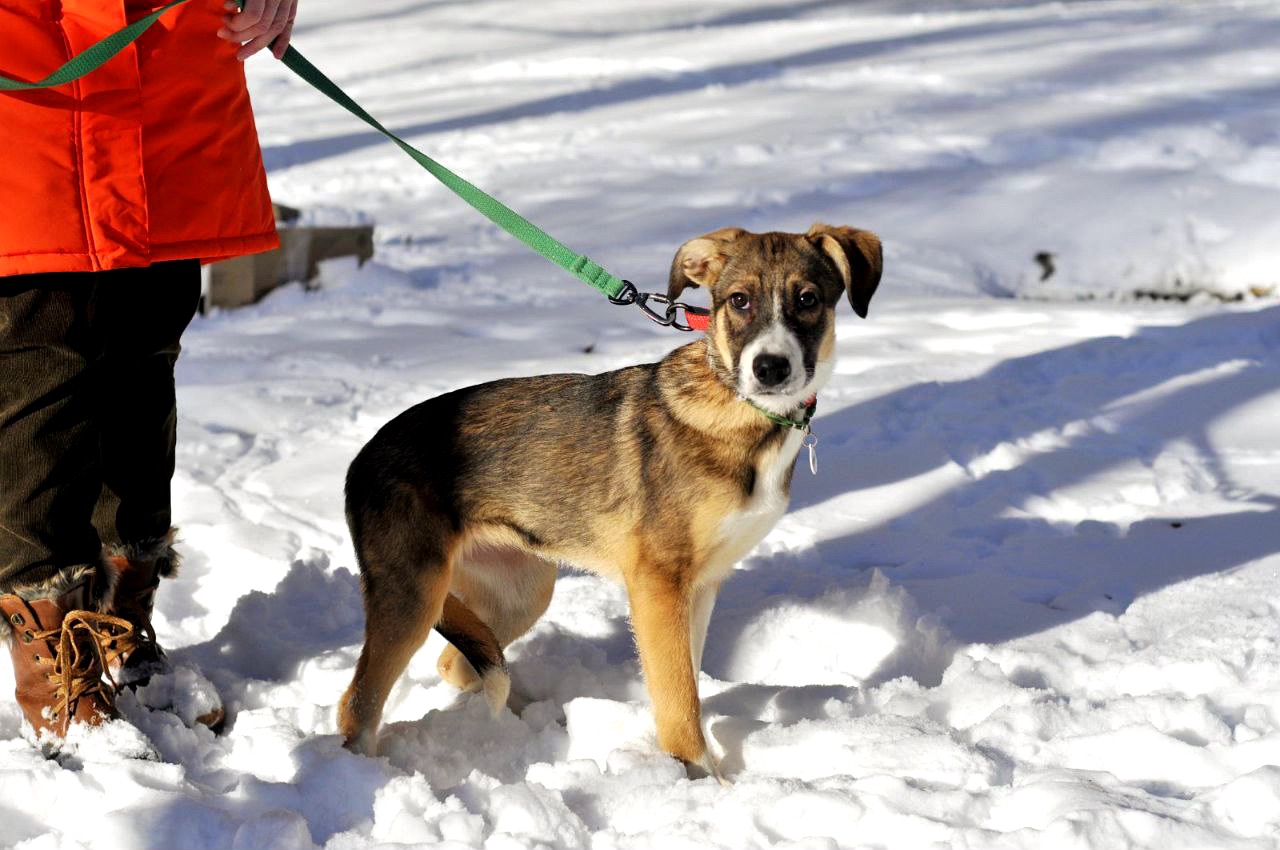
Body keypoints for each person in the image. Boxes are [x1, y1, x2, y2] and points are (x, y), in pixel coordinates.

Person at [0, 0, 298, 750]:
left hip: (163, 63)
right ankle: (53, 667)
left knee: (142, 358)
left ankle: (120, 622)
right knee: (39, 368)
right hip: (24, 72)